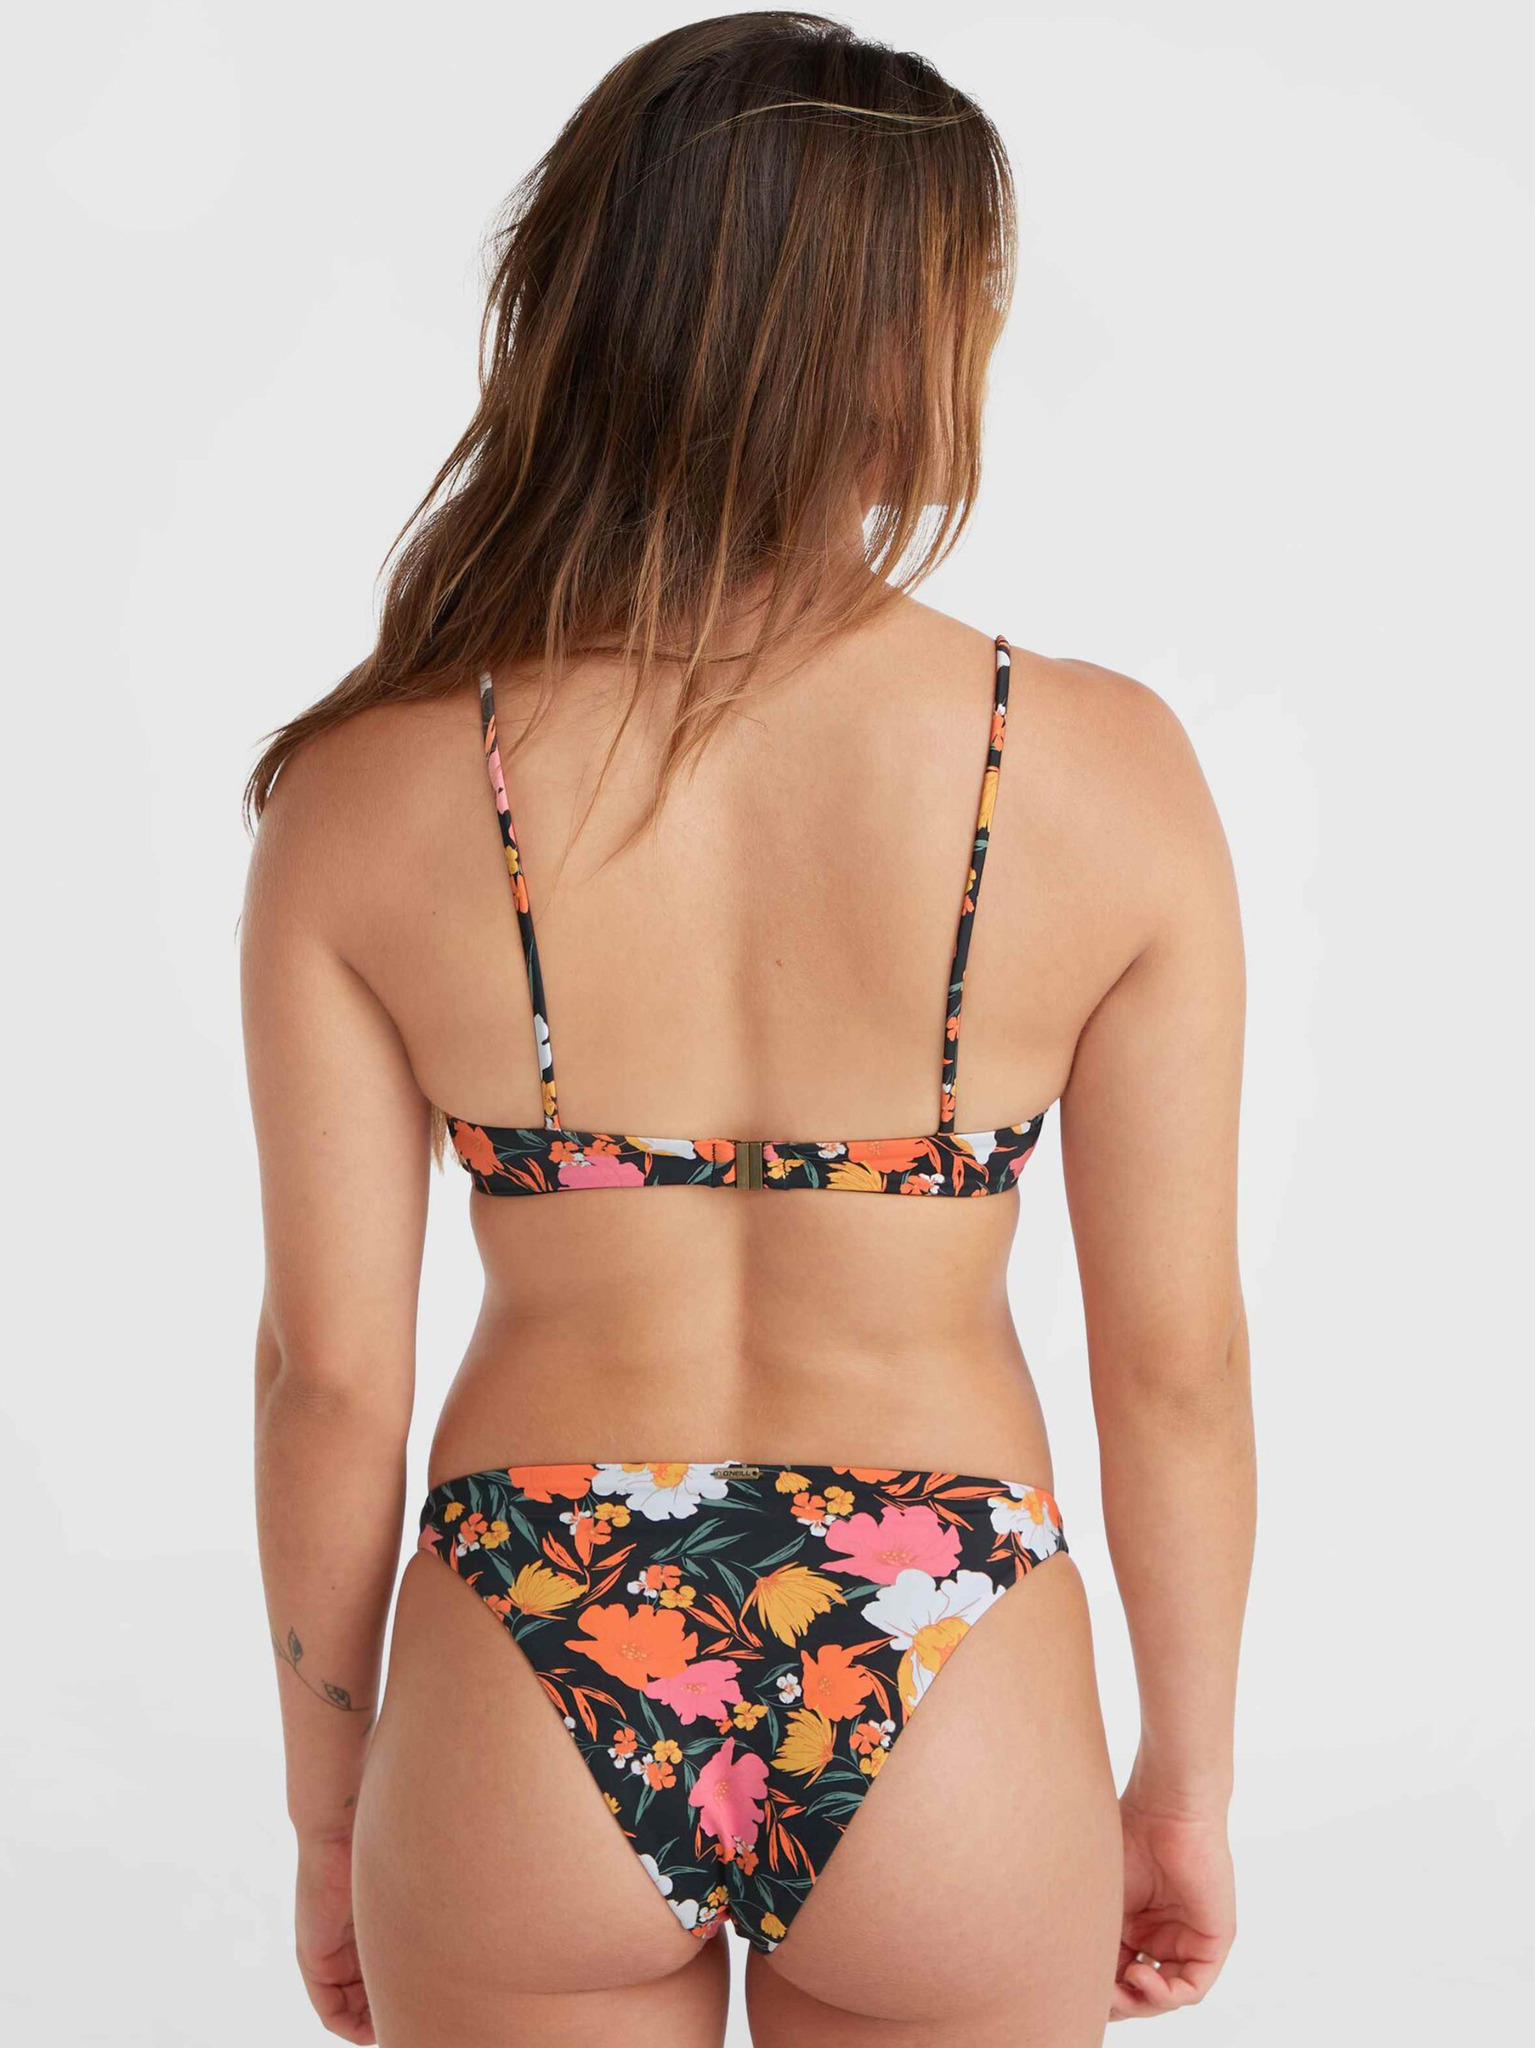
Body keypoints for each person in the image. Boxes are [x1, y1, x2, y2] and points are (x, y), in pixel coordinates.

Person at [241, 15, 1253, 2045]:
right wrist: (1185, 1786)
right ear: (894, 342)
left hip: (533, 1632)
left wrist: (332, 1809)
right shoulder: (1101, 772)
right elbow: (1177, 1370)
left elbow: (330, 1382)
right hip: (945, 1633)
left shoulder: (367, 791)